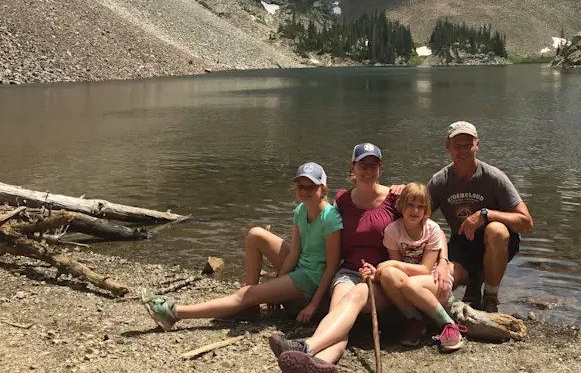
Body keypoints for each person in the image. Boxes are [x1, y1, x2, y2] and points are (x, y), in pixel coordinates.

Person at [141, 162, 342, 330]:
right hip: (301, 266)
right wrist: (278, 282)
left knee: (247, 295)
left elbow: (332, 266)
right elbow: (294, 254)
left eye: (311, 187)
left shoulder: (330, 219)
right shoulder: (300, 210)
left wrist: (313, 305)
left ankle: (174, 313)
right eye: (300, 186)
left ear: (323, 189)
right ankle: (249, 306)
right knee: (255, 234)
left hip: (312, 278)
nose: (305, 192)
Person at [268, 142, 404, 373]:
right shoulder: (342, 200)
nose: (368, 170)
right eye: (363, 165)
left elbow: (420, 217)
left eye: (373, 165)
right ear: (352, 167)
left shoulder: (395, 198)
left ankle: (305, 347)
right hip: (349, 272)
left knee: (354, 299)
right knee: (339, 316)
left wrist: (439, 262)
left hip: (381, 276)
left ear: (380, 168)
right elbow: (324, 226)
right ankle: (320, 363)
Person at [427, 121, 533, 313]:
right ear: (447, 146)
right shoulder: (440, 180)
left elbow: (526, 223)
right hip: (462, 244)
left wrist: (487, 215)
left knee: (496, 230)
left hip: (495, 244)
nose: (463, 150)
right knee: (439, 283)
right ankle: (473, 283)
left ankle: (490, 297)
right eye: (457, 145)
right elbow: (417, 215)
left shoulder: (494, 177)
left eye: (468, 144)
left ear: (477, 144)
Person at [362, 182, 466, 352]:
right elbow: (396, 270)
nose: (415, 211)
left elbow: (425, 269)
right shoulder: (392, 231)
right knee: (388, 273)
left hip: (432, 280)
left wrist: (392, 263)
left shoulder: (431, 229)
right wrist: (378, 272)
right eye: (410, 205)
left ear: (426, 210)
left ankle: (449, 324)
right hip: (410, 282)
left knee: (406, 281)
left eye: (420, 207)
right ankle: (415, 321)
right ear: (401, 206)